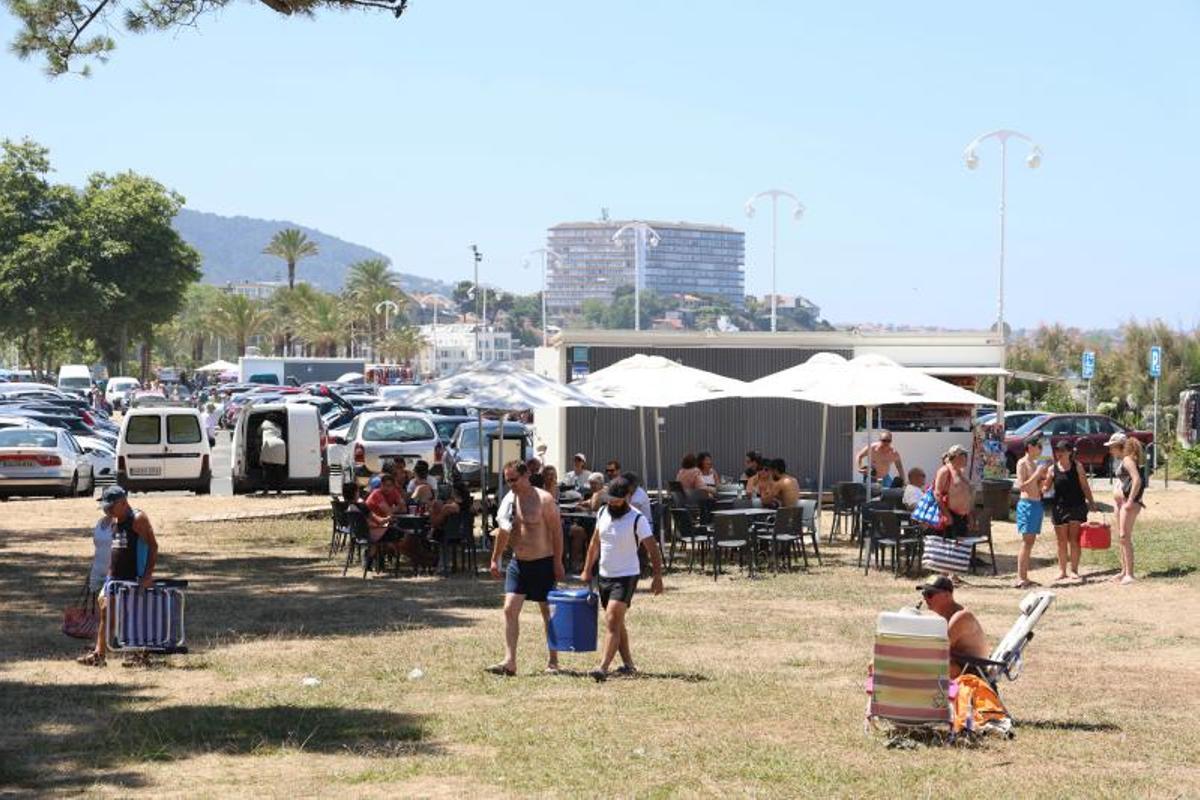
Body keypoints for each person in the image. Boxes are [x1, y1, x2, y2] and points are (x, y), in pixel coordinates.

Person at [579, 478, 664, 680]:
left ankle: (603, 668)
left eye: (617, 500)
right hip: (604, 575)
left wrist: (657, 576)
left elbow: (652, 549)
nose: (612, 504)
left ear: (627, 497)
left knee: (611, 620)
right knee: (617, 623)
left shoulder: (637, 519)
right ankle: (628, 665)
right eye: (610, 500)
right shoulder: (602, 513)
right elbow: (594, 543)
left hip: (626, 576)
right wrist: (586, 569)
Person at [487, 460, 565, 676]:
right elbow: (503, 531)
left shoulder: (544, 500)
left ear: (526, 475)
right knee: (509, 609)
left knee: (548, 612)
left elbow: (557, 533)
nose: (510, 484)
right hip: (518, 563)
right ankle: (509, 662)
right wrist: (495, 559)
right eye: (507, 480)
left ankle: (553, 661)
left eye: (513, 479)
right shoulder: (509, 501)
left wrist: (557, 562)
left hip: (542, 562)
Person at [78, 487, 159, 667]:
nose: (107, 511)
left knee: (134, 616)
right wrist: (108, 578)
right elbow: (116, 551)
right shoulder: (115, 520)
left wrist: (147, 575)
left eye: (111, 507)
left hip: (133, 577)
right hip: (114, 578)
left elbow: (153, 547)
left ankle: (140, 655)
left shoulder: (138, 519)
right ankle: (99, 654)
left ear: (123, 503)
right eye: (105, 508)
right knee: (106, 611)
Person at [1042, 440, 1096, 584]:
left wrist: (1092, 503)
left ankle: (1074, 570)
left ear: (1069, 452)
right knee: (1061, 541)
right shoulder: (1052, 469)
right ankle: (1062, 571)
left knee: (1074, 540)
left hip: (1076, 506)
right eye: (1057, 450)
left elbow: (1085, 486)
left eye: (1062, 451)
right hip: (1059, 507)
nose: (1059, 453)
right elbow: (1045, 488)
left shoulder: (1077, 466)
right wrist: (1042, 479)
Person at [917, 575, 989, 679]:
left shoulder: (961, 617)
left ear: (947, 595)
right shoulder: (944, 617)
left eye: (929, 594)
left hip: (972, 676)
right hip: (960, 669)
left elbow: (939, 650)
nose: (924, 598)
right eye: (924, 593)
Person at [1107, 433, 1146, 585]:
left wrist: (1130, 501)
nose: (1110, 450)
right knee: (1121, 538)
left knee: (1125, 537)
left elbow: (1137, 480)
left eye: (1112, 447)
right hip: (1120, 503)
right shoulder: (1123, 460)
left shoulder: (1127, 460)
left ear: (1119, 446)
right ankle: (1124, 571)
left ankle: (1130, 574)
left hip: (1127, 504)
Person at [1014, 437, 1049, 589]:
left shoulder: (1035, 464)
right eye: (1038, 446)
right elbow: (1022, 486)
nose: (1041, 449)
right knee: (1026, 541)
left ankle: (1025, 576)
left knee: (1031, 542)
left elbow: (1036, 485)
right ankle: (1020, 578)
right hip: (1026, 504)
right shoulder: (1022, 463)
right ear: (1030, 447)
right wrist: (1037, 474)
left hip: (1036, 503)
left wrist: (1044, 479)